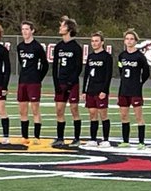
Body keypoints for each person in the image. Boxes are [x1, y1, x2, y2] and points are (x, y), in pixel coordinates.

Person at [116, 30, 151, 148]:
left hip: (135, 90)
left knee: (138, 116)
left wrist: (139, 83)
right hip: (123, 89)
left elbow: (146, 72)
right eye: (127, 39)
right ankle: (125, 141)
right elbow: (120, 69)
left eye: (131, 39)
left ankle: (141, 142)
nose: (129, 41)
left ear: (136, 41)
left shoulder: (140, 56)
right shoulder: (122, 55)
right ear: (124, 41)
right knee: (124, 116)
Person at [51, 16, 84, 147]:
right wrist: (56, 83)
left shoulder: (76, 47)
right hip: (60, 81)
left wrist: (71, 82)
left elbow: (78, 67)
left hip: (72, 83)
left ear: (69, 29)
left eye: (63, 26)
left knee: (74, 109)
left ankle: (76, 138)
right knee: (59, 110)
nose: (60, 28)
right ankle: (60, 138)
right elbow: (54, 67)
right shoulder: (59, 47)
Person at [15, 21, 49, 142]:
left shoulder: (37, 47)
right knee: (22, 110)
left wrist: (38, 78)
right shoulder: (20, 47)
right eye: (23, 29)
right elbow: (21, 63)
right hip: (22, 81)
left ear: (32, 30)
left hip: (33, 82)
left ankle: (36, 136)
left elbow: (45, 65)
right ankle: (24, 136)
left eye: (27, 29)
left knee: (35, 109)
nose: (24, 31)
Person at [83, 32, 113, 146]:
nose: (94, 43)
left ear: (102, 42)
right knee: (92, 113)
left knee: (103, 114)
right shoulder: (90, 57)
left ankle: (106, 139)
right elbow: (86, 74)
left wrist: (105, 90)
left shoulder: (107, 56)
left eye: (96, 41)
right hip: (91, 88)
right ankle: (93, 139)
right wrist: (84, 91)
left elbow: (108, 75)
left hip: (101, 89)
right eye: (93, 41)